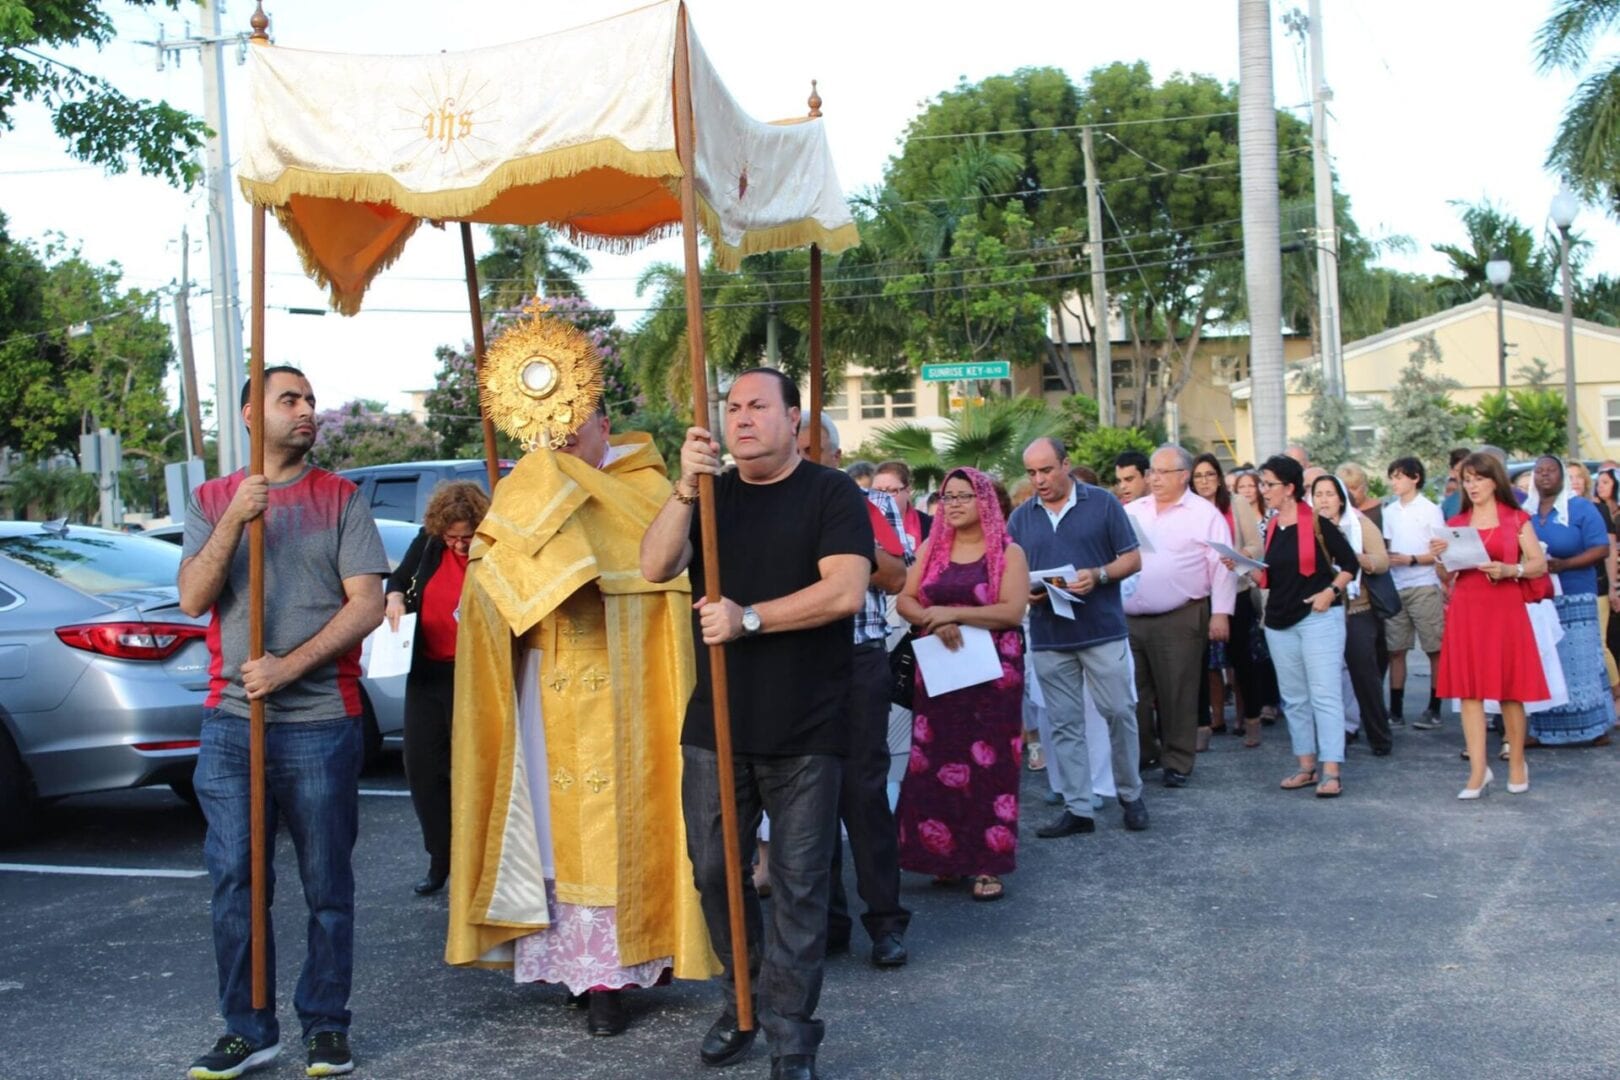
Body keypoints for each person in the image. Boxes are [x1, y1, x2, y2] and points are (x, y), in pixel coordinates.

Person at [445, 401, 714, 1039]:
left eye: (571, 425)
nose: (558, 439)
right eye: (544, 429)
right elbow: (486, 587)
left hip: (628, 689)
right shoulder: (523, 485)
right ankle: (571, 967)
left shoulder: (647, 485)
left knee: (626, 831)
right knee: (548, 836)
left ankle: (613, 980)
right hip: (543, 686)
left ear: (601, 422)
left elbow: (661, 579)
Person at [641, 368, 872, 1080]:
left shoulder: (832, 492)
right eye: (732, 407)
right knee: (715, 872)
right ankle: (740, 999)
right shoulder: (710, 496)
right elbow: (654, 565)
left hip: (807, 724)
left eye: (758, 406)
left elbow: (845, 589)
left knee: (801, 885)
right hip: (717, 722)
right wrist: (684, 487)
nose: (742, 419)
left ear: (794, 419)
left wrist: (750, 618)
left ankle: (790, 1037)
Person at [179, 365, 388, 1080]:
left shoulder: (340, 498)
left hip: (322, 720)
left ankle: (326, 1026)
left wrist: (286, 667)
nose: (307, 411)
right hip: (232, 722)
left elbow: (364, 604)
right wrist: (237, 515)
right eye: (288, 399)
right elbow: (191, 597)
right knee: (236, 880)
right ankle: (248, 1028)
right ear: (247, 414)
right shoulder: (213, 499)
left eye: (309, 400)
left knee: (327, 884)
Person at [798, 419, 911, 969]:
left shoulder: (871, 504)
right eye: (797, 451)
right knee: (808, 799)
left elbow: (894, 577)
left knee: (865, 793)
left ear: (838, 454)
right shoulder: (777, 504)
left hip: (860, 656)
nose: (805, 460)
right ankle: (829, 922)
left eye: (814, 451)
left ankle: (886, 921)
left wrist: (844, 543)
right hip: (797, 663)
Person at [895, 467, 1030, 900]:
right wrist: (932, 622)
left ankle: (987, 864)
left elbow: (1011, 612)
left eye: (963, 496)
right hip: (939, 672)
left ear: (984, 500)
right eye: (947, 496)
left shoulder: (1008, 553)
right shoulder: (933, 546)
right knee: (935, 763)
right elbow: (905, 600)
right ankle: (943, 858)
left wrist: (953, 615)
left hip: (992, 678)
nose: (952, 504)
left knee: (989, 766)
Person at [1009, 438, 1147, 834]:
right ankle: (1079, 808)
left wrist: (1099, 575)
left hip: (1102, 630)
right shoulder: (1021, 518)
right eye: (1032, 472)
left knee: (1119, 712)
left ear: (1066, 464)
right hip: (1051, 635)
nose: (1039, 480)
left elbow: (1133, 557)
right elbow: (1010, 571)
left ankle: (1131, 795)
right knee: (1064, 724)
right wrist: (1028, 592)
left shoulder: (1102, 503)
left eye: (1046, 470)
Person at [383, 480, 489, 897]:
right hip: (428, 674)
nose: (460, 546)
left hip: (475, 675)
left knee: (472, 770)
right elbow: (399, 579)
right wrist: (394, 598)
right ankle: (439, 856)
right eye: (453, 538)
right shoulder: (428, 543)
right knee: (423, 769)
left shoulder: (493, 549)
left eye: (467, 537)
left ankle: (478, 863)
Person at [1430, 452, 1550, 796]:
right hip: (1467, 606)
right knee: (1470, 691)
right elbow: (1445, 574)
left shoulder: (1515, 518)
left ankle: (1516, 763)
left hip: (1505, 606)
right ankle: (1478, 772)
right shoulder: (1456, 523)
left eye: (1478, 479)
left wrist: (1511, 570)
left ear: (1494, 480)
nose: (1472, 485)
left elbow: (1539, 564)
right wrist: (1439, 556)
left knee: (1511, 690)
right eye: (1467, 480)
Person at [1123, 445, 1236, 787]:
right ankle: (1144, 753)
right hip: (1129, 617)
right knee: (1132, 693)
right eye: (1152, 472)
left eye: (1162, 472)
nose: (1154, 478)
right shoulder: (1133, 510)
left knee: (1178, 691)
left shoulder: (1205, 514)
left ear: (1183, 475)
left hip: (1181, 615)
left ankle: (1177, 761)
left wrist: (1221, 614)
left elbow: (1222, 566)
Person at [1248, 455, 1357, 797]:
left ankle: (1332, 770)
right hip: (1280, 621)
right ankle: (1306, 766)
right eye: (1262, 484)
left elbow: (1351, 564)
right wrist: (1239, 566)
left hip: (1318, 617)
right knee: (1294, 699)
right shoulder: (1270, 526)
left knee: (1324, 695)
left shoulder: (1318, 524)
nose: (1263, 490)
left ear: (1290, 488)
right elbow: (1268, 578)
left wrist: (1330, 591)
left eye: (1269, 484)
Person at [1526, 455, 1613, 747]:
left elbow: (1601, 548)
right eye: (1539, 471)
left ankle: (1591, 727)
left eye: (1551, 471)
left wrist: (1566, 564)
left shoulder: (1580, 508)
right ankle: (1544, 729)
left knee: (1581, 662)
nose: (1544, 476)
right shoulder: (1525, 512)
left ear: (1562, 476)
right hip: (1539, 596)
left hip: (1576, 591)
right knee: (1545, 659)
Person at [1311, 475, 1393, 757]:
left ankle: (1380, 737)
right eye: (1318, 494)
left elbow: (1382, 561)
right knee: (1328, 680)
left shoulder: (1359, 523)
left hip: (1357, 608)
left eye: (1330, 494)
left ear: (1341, 498)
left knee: (1364, 676)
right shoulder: (1308, 527)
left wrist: (1351, 557)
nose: (1323, 500)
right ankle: (1340, 735)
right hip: (1321, 610)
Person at [1191, 453, 1265, 747]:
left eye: (1210, 474)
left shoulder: (1236, 504)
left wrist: (1239, 557)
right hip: (1199, 593)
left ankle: (1252, 721)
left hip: (1237, 590)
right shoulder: (1188, 509)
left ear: (1219, 478)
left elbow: (1255, 545)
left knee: (1241, 660)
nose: (1204, 481)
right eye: (1198, 476)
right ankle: (1203, 725)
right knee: (1200, 664)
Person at [1381, 457, 1448, 730]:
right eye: (1393, 477)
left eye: (1399, 477)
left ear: (1415, 478)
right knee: (1396, 649)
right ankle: (1396, 709)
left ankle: (1434, 707)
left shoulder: (1430, 510)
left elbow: (1439, 552)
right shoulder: (1390, 511)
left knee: (1434, 648)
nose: (1394, 482)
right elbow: (1387, 545)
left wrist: (1410, 559)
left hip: (1423, 584)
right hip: (1397, 586)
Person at [1591, 467, 1620, 695]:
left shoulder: (1609, 514)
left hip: (1607, 582)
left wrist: (1613, 587)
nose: (1601, 487)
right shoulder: (1597, 510)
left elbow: (1609, 549)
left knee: (1603, 643)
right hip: (1602, 581)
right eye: (1598, 482)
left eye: (1606, 482)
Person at [873, 460, 933, 550]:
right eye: (877, 491)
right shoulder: (861, 525)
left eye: (892, 491)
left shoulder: (930, 526)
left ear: (908, 489)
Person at [1439, 447, 1472, 519]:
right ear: (1452, 472)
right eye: (1460, 470)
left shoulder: (1484, 498)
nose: (1465, 474)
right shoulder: (1448, 504)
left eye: (1469, 470)